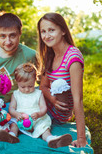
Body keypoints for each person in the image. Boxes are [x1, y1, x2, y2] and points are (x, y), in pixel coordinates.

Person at [37, 12, 87, 148]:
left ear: (63, 30)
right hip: (47, 104)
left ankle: (50, 137)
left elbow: (78, 99)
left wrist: (81, 138)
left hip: (58, 114)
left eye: (51, 30)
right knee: (23, 91)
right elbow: (42, 86)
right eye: (43, 31)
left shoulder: (73, 57)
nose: (46, 36)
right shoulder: (50, 54)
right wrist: (52, 99)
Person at [0, 63, 72, 148]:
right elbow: (11, 108)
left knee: (44, 128)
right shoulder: (16, 94)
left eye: (30, 86)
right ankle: (11, 135)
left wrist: (39, 114)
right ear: (17, 82)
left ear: (35, 80)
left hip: (37, 119)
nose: (27, 89)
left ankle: (51, 139)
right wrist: (16, 114)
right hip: (21, 120)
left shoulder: (38, 93)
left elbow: (43, 108)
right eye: (23, 87)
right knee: (14, 124)